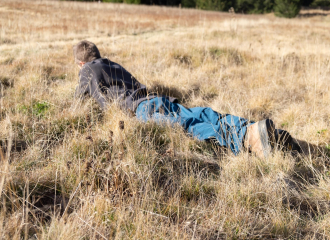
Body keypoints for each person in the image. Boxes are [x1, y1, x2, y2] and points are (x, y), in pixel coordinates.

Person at [73, 40, 301, 159]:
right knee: (200, 114)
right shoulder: (113, 64)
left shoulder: (87, 70)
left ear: (81, 63)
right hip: (155, 98)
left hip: (140, 111)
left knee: (187, 126)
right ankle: (254, 129)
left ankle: (247, 138)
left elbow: (77, 101)